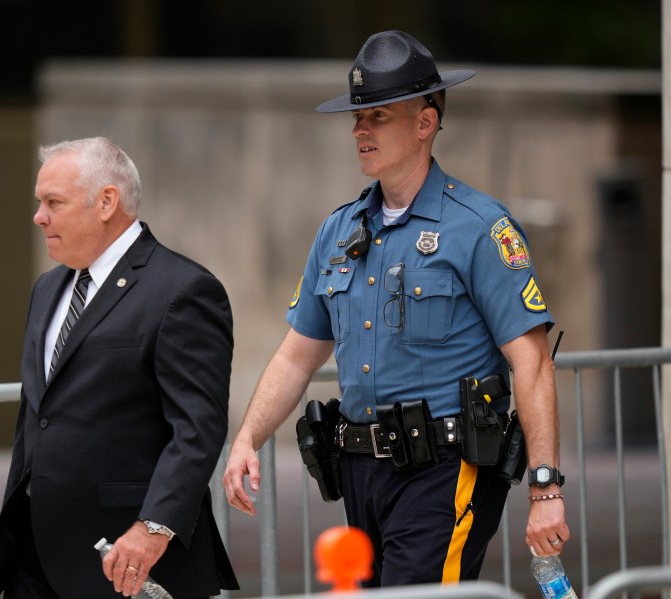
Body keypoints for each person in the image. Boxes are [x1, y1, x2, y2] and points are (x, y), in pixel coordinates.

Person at [223, 30, 568, 587]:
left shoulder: (480, 227)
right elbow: (295, 357)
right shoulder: (338, 231)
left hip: (445, 470)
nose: (360, 130)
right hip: (359, 469)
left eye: (378, 116)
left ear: (426, 122)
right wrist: (247, 439)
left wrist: (546, 487)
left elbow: (531, 362)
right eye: (357, 118)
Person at [0, 137, 238, 598]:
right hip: (37, 559)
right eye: (38, 202)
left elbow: (197, 428)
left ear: (107, 201)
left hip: (131, 562)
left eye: (53, 202)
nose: (38, 216)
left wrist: (153, 527)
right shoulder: (46, 289)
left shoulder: (182, 290)